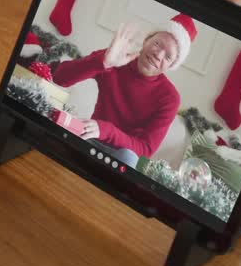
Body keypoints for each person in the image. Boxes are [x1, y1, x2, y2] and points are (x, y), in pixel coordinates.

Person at [51, 14, 197, 168]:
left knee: (128, 157)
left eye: (168, 57)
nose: (158, 55)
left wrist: (106, 130)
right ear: (146, 40)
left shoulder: (169, 97)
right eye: (157, 43)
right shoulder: (115, 59)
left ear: (171, 65)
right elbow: (59, 77)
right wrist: (103, 62)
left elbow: (145, 150)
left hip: (121, 157)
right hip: (88, 138)